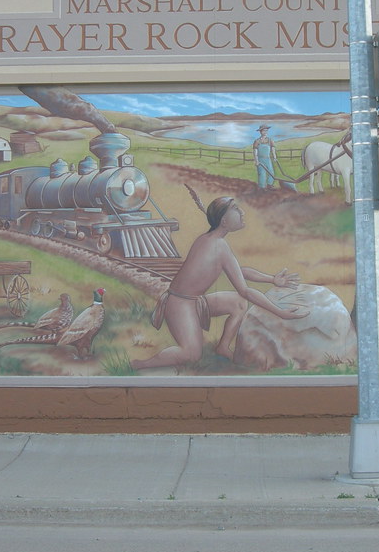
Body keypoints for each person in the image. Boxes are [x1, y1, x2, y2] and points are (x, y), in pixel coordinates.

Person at [131, 193, 308, 370]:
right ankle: (140, 364)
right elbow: (244, 290)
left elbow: (239, 272)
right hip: (180, 304)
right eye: (236, 209)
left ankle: (223, 347)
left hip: (195, 301)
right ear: (223, 221)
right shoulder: (217, 245)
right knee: (191, 355)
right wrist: (280, 312)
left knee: (239, 303)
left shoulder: (214, 241)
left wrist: (271, 279)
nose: (242, 213)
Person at [253, 124, 277, 189]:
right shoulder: (257, 141)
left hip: (268, 159)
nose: (265, 132)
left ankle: (270, 185)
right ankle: (262, 187)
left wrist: (274, 156)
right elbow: (255, 151)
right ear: (260, 132)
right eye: (264, 131)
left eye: (266, 131)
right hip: (260, 160)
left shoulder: (270, 140)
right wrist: (256, 160)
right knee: (262, 173)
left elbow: (273, 149)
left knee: (271, 172)